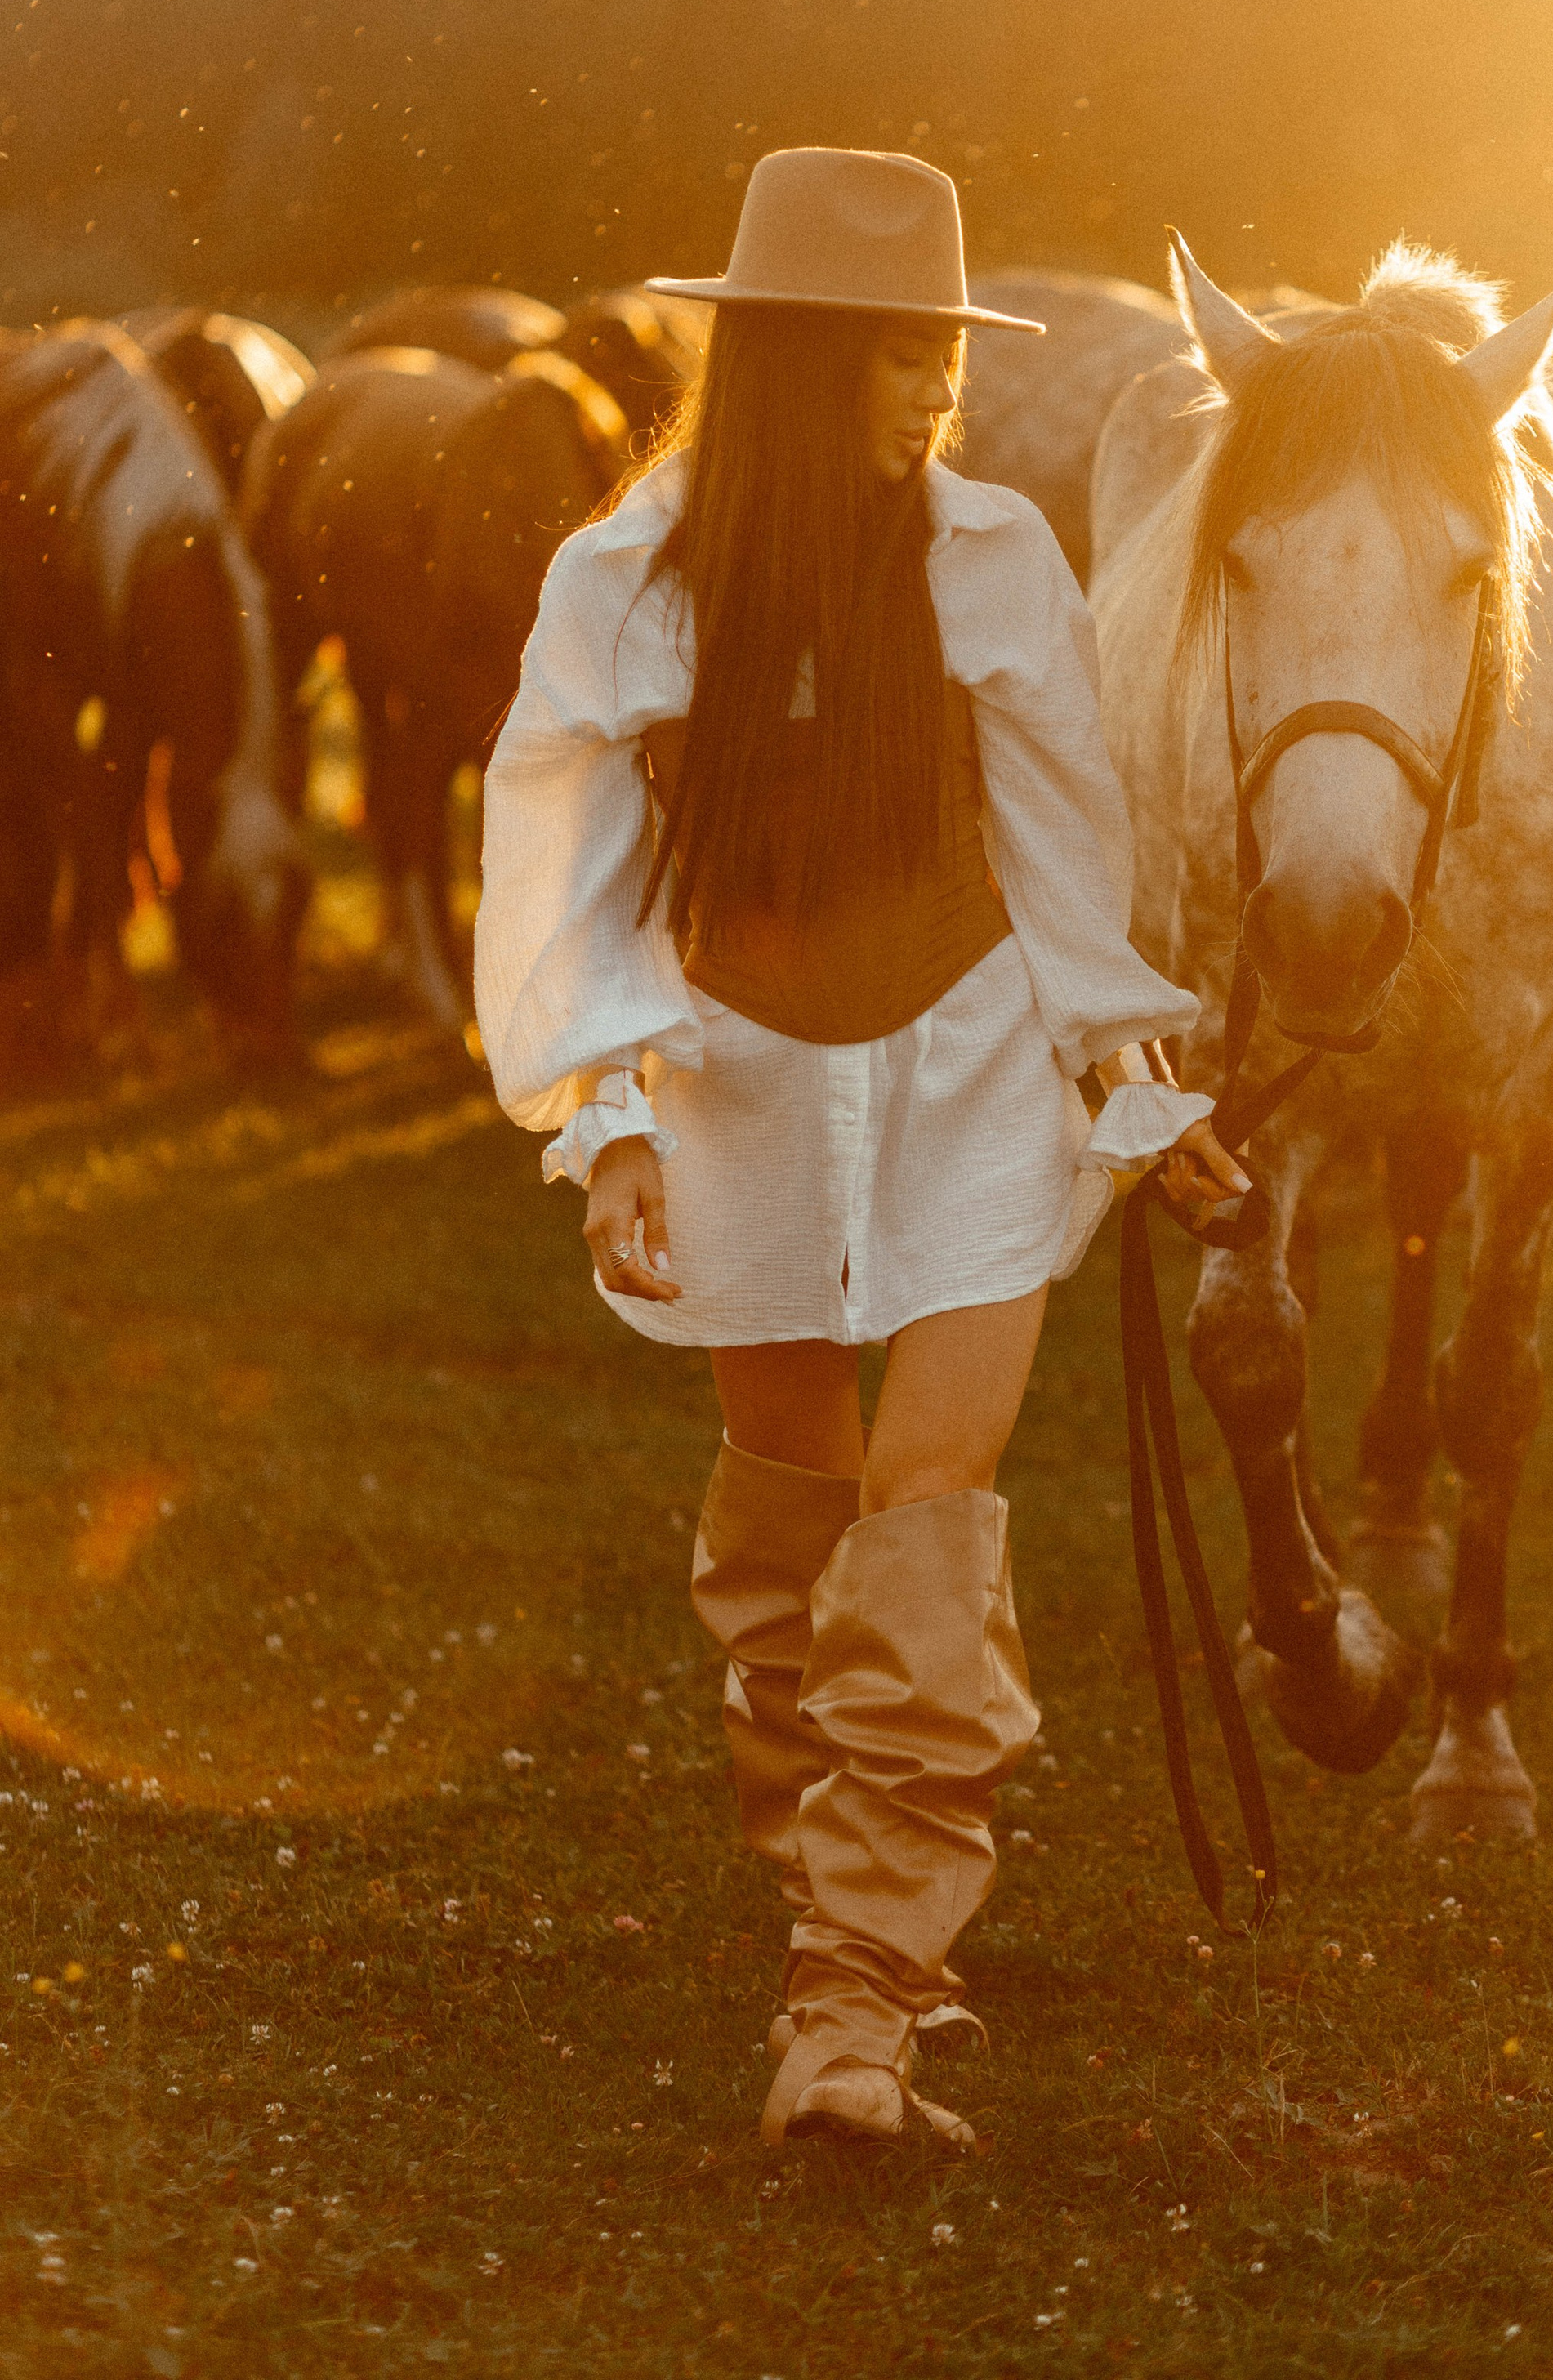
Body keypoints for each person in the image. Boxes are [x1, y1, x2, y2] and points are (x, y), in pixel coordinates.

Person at [475, 147, 1244, 2151]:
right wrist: (611, 1121)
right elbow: (573, 861)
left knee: (925, 1512)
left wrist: (1133, 1081)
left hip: (971, 1072)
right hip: (733, 1078)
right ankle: (845, 1900)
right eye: (899, 357)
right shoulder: (631, 578)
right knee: (791, 1546)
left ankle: (851, 2004)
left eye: (942, 355)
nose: (936, 394)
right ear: (797, 362)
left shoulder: (987, 552)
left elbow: (1063, 839)